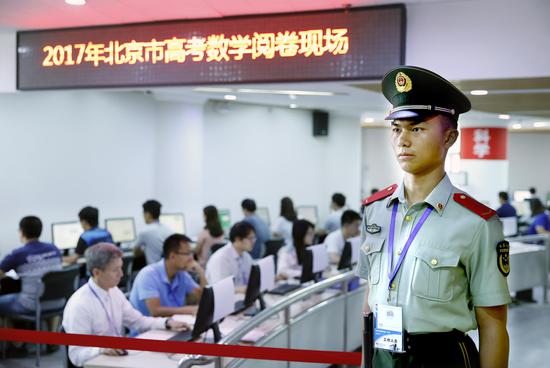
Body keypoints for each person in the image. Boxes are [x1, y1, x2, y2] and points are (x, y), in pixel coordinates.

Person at [357, 66, 510, 368]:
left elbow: (493, 326)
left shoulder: (477, 223)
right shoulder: (375, 210)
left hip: (440, 358)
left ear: (449, 137)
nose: (403, 140)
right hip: (383, 351)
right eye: (396, 128)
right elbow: (369, 297)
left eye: (416, 129)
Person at [62, 243, 187, 367]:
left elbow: (138, 322)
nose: (121, 274)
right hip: (98, 363)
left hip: (117, 359)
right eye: (115, 270)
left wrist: (166, 323)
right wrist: (100, 349)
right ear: (97, 272)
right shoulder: (79, 305)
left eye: (121, 268)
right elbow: (76, 355)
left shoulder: (113, 291)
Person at [130, 234, 206, 317]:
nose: (191, 258)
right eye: (187, 254)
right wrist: (189, 310)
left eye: (191, 253)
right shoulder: (148, 275)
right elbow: (155, 311)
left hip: (173, 324)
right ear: (172, 256)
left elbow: (201, 297)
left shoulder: (182, 274)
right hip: (148, 328)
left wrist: (201, 272)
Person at [0, 216, 62, 316]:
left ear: (21, 232)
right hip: (58, 303)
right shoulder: (54, 248)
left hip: (32, 306)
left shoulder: (18, 254)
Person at [205, 222, 254, 292]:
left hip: (241, 297)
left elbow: (252, 278)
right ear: (237, 239)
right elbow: (219, 288)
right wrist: (243, 289)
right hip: (223, 298)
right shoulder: (221, 259)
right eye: (250, 238)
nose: (253, 241)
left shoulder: (246, 256)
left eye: (254, 238)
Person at [133, 199, 175, 265]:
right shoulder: (168, 229)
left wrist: (145, 250)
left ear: (147, 215)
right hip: (169, 269)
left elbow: (135, 252)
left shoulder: (144, 232)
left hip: (154, 271)